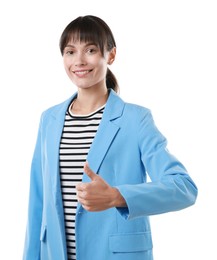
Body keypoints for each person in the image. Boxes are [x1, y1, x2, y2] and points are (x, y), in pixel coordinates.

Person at [23, 15, 198, 260]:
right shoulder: (49, 120)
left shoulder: (135, 119)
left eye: (91, 50)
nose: (79, 61)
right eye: (70, 52)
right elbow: (38, 202)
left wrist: (118, 196)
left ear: (111, 55)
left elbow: (184, 188)